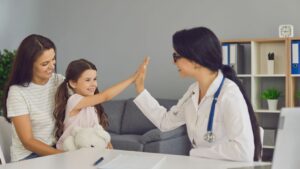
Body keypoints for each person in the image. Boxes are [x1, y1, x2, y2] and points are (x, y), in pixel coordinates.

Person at [134, 27, 262, 162]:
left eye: (176, 56)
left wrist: (196, 153)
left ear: (195, 60)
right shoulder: (193, 91)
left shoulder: (229, 94)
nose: (173, 62)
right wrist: (140, 88)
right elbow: (165, 122)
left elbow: (243, 152)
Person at [54, 58, 149, 150]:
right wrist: (133, 78)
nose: (93, 84)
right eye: (87, 80)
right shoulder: (74, 100)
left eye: (95, 79)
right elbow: (105, 96)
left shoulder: (92, 106)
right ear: (73, 83)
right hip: (70, 153)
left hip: (88, 151)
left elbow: (96, 129)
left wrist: (106, 141)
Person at [2, 34, 65, 161]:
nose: (52, 66)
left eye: (53, 59)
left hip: (55, 149)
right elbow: (28, 141)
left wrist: (101, 138)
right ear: (29, 65)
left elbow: (84, 104)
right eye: (45, 63)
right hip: (29, 156)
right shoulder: (17, 92)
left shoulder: (58, 81)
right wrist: (63, 155)